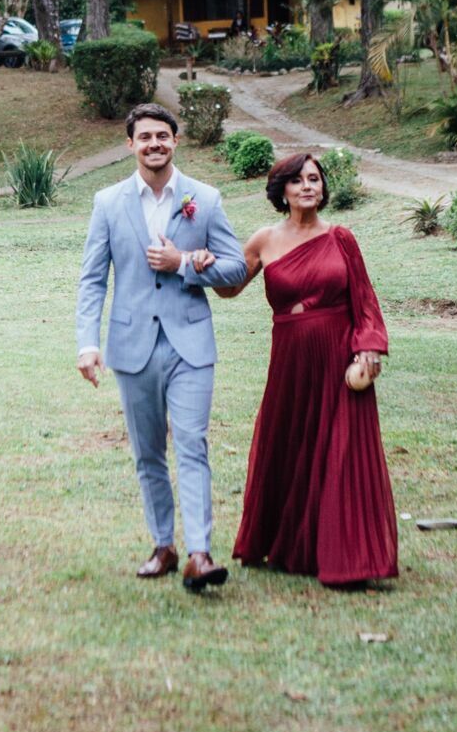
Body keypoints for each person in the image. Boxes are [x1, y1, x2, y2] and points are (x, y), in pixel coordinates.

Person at [76, 103, 248, 591]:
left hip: (190, 344)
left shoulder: (205, 199)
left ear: (176, 141)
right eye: (145, 136)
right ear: (130, 144)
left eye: (163, 136)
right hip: (131, 347)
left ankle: (200, 553)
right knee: (148, 451)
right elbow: (92, 280)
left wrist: (185, 263)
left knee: (192, 443)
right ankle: (163, 546)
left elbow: (236, 269)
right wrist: (88, 344)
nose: (155, 144)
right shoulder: (107, 203)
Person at [215, 152, 398, 586]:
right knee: (291, 446)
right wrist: (200, 261)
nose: (307, 187)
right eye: (297, 181)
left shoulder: (341, 239)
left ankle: (352, 558)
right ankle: (289, 545)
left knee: (343, 451)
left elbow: (364, 300)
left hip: (339, 357)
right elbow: (228, 289)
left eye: (314, 179)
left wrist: (367, 348)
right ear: (282, 190)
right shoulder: (263, 240)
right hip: (291, 360)